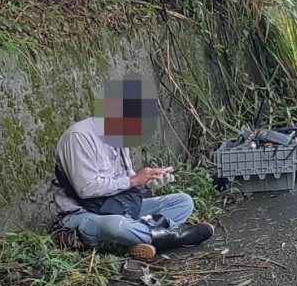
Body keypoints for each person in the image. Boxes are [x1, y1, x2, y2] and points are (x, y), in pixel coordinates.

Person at [52, 77, 214, 261]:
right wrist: (134, 180)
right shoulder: (79, 137)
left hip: (120, 206)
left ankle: (131, 242)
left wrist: (148, 183)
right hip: (84, 214)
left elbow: (126, 186)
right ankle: (171, 237)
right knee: (117, 226)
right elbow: (86, 189)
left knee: (183, 202)